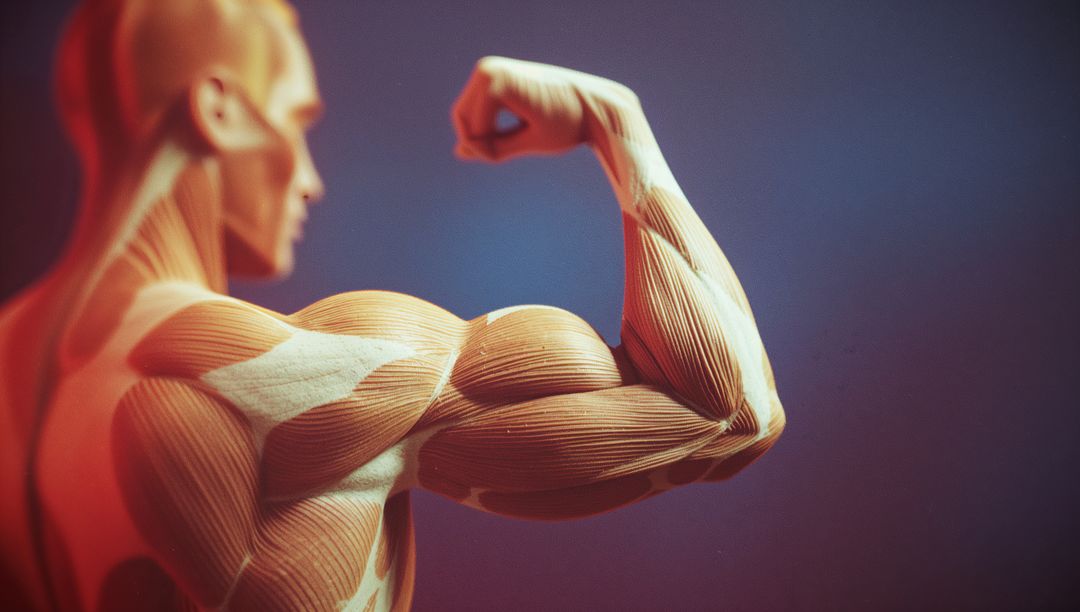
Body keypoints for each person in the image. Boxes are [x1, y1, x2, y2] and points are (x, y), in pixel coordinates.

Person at [0, 0, 785, 610]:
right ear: (221, 110)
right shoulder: (279, 376)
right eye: (296, 119)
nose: (310, 179)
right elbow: (725, 411)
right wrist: (614, 121)